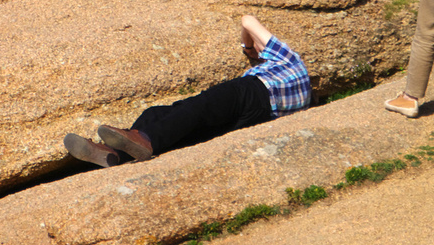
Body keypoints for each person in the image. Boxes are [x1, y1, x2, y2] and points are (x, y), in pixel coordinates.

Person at [64, 15, 312, 167]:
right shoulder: (303, 96)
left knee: (198, 107)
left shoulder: (289, 59)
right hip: (259, 119)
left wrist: (249, 47)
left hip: (253, 91)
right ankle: (117, 154)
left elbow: (247, 20)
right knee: (170, 117)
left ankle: (145, 141)